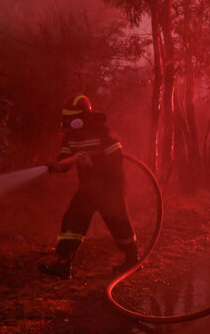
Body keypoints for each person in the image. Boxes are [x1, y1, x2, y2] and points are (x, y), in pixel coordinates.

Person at [39, 93, 139, 279]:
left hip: (111, 187)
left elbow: (116, 160)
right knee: (72, 220)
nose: (68, 121)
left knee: (119, 222)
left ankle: (133, 259)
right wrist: (58, 165)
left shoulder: (104, 132)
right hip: (88, 189)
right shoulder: (71, 137)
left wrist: (93, 165)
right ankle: (63, 264)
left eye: (72, 117)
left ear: (83, 117)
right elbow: (66, 161)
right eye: (67, 117)